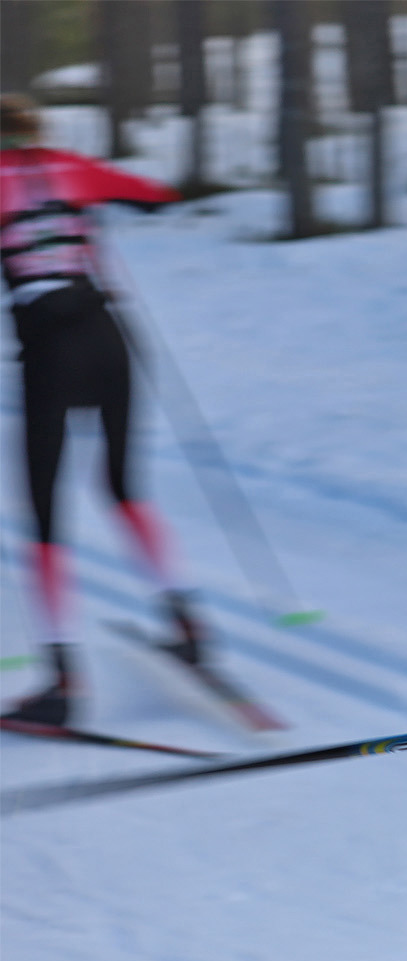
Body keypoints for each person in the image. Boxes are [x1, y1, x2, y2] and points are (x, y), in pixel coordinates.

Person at [0, 92, 202, 727]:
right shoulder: (70, 166)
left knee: (44, 505)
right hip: (110, 338)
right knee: (122, 485)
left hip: (50, 348)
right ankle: (186, 622)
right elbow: (155, 195)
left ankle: (62, 681)